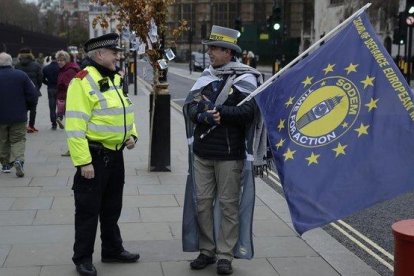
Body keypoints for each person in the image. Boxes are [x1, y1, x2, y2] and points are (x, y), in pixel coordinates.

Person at [182, 25, 266, 275]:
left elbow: (248, 112)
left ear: (229, 53)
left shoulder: (245, 78)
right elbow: (191, 108)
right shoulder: (206, 76)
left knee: (229, 205)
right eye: (209, 48)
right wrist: (204, 116)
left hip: (230, 155)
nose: (210, 53)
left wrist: (220, 113)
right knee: (202, 203)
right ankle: (207, 250)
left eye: (215, 49)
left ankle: (225, 255)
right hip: (202, 151)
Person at [65, 33, 139, 276]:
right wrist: (83, 161)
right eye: (113, 52)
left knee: (112, 207)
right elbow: (75, 126)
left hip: (115, 156)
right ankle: (83, 258)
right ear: (99, 55)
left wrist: (133, 135)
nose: (118, 55)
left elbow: (125, 110)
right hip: (94, 157)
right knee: (87, 211)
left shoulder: (115, 78)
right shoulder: (82, 81)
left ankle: (112, 249)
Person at [0, 52, 37, 177]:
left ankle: (5, 164)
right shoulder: (21, 75)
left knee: (2, 140)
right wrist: (28, 107)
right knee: (18, 140)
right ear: (11, 62)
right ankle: (18, 160)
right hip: (19, 115)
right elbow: (32, 94)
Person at [15, 48, 43, 133]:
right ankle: (31, 126)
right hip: (33, 90)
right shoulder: (36, 65)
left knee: (23, 109)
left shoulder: (17, 65)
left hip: (21, 91)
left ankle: (23, 126)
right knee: (33, 109)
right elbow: (40, 78)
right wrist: (37, 87)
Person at [56, 50, 80, 130]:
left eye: (62, 60)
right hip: (64, 96)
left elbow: (70, 86)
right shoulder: (64, 69)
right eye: (58, 60)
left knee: (72, 121)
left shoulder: (70, 70)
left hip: (69, 97)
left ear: (66, 60)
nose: (59, 62)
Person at [42, 53, 59, 130]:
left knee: (52, 107)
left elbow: (42, 79)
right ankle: (59, 117)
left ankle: (53, 123)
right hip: (59, 88)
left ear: (51, 59)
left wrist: (48, 83)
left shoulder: (46, 68)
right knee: (61, 105)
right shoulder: (60, 67)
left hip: (50, 88)